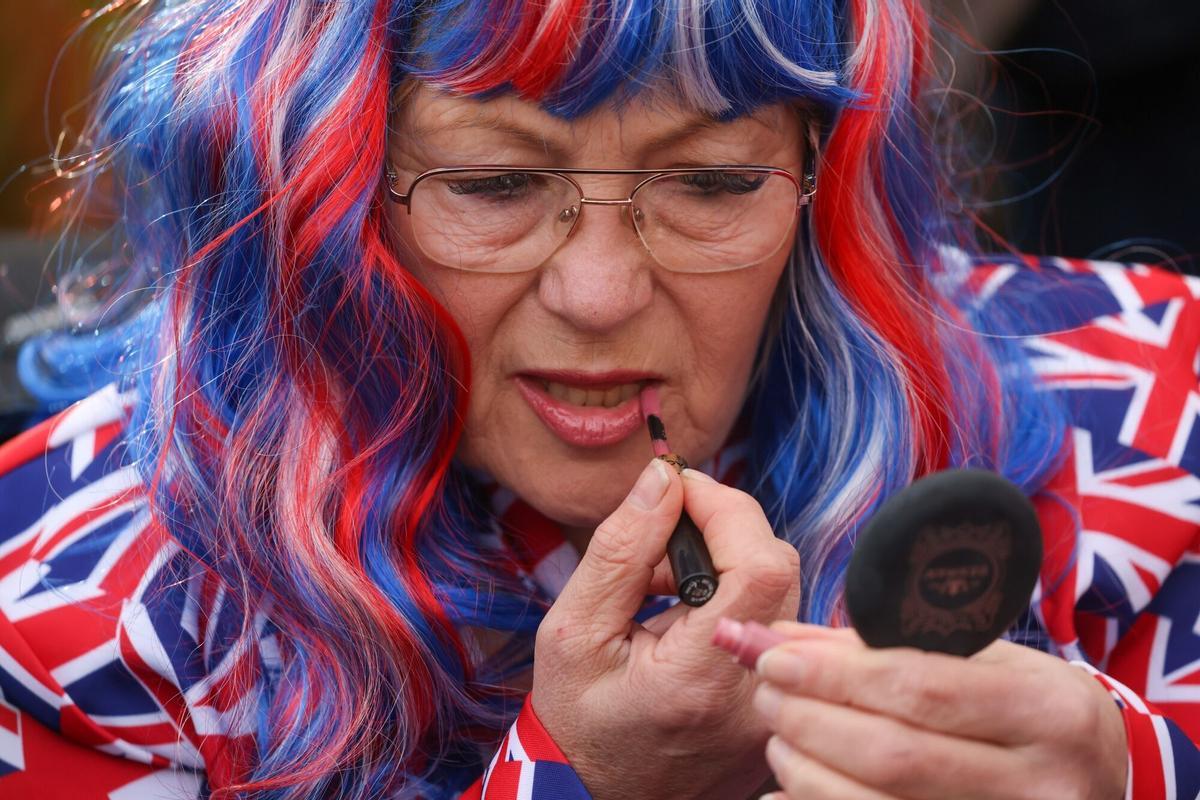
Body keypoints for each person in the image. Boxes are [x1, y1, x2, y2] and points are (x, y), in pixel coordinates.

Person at [0, 0, 1197, 798]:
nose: (599, 291)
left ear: (826, 181)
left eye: (713, 181)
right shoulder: (72, 615)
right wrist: (576, 776)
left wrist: (1133, 767)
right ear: (322, 191)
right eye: (496, 179)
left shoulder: (1160, 404)